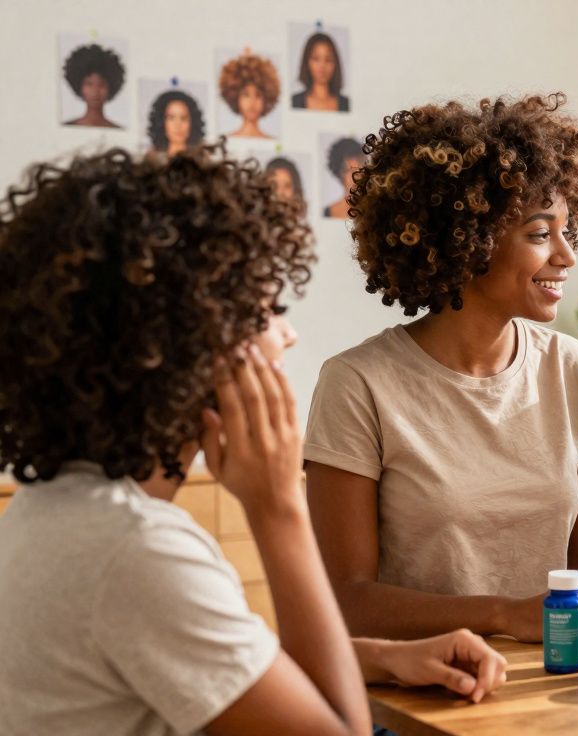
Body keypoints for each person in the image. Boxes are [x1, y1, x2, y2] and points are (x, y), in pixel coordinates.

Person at [0, 145, 506, 735]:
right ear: (190, 345)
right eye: (266, 310)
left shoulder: (52, 510)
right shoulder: (139, 552)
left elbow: (206, 662)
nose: (287, 336)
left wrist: (380, 658)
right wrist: (278, 509)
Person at [304, 93, 578, 644]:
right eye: (540, 233)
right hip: (422, 697)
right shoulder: (359, 385)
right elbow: (346, 601)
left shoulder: (570, 368)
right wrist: (502, 615)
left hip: (555, 678)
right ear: (467, 241)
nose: (567, 255)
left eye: (568, 230)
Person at [62, 43, 125, 128]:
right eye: (89, 84)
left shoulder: (119, 130)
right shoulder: (67, 127)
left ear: (111, 87)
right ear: (79, 86)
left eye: (101, 84)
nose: (95, 91)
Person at [219, 52, 280, 139]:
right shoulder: (227, 140)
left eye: (258, 95)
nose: (252, 102)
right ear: (235, 97)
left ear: (266, 99)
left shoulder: (273, 141)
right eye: (246, 95)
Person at [292, 32, 350, 112]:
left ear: (335, 64)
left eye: (328, 60)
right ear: (307, 62)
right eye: (316, 59)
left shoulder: (346, 104)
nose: (322, 66)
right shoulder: (294, 102)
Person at [147, 90, 205, 156]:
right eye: (171, 118)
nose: (178, 125)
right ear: (161, 122)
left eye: (183, 118)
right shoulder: (152, 161)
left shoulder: (202, 162)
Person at [323, 137, 363, 218]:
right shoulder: (329, 212)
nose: (357, 176)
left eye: (360, 169)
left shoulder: (373, 211)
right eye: (350, 170)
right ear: (339, 174)